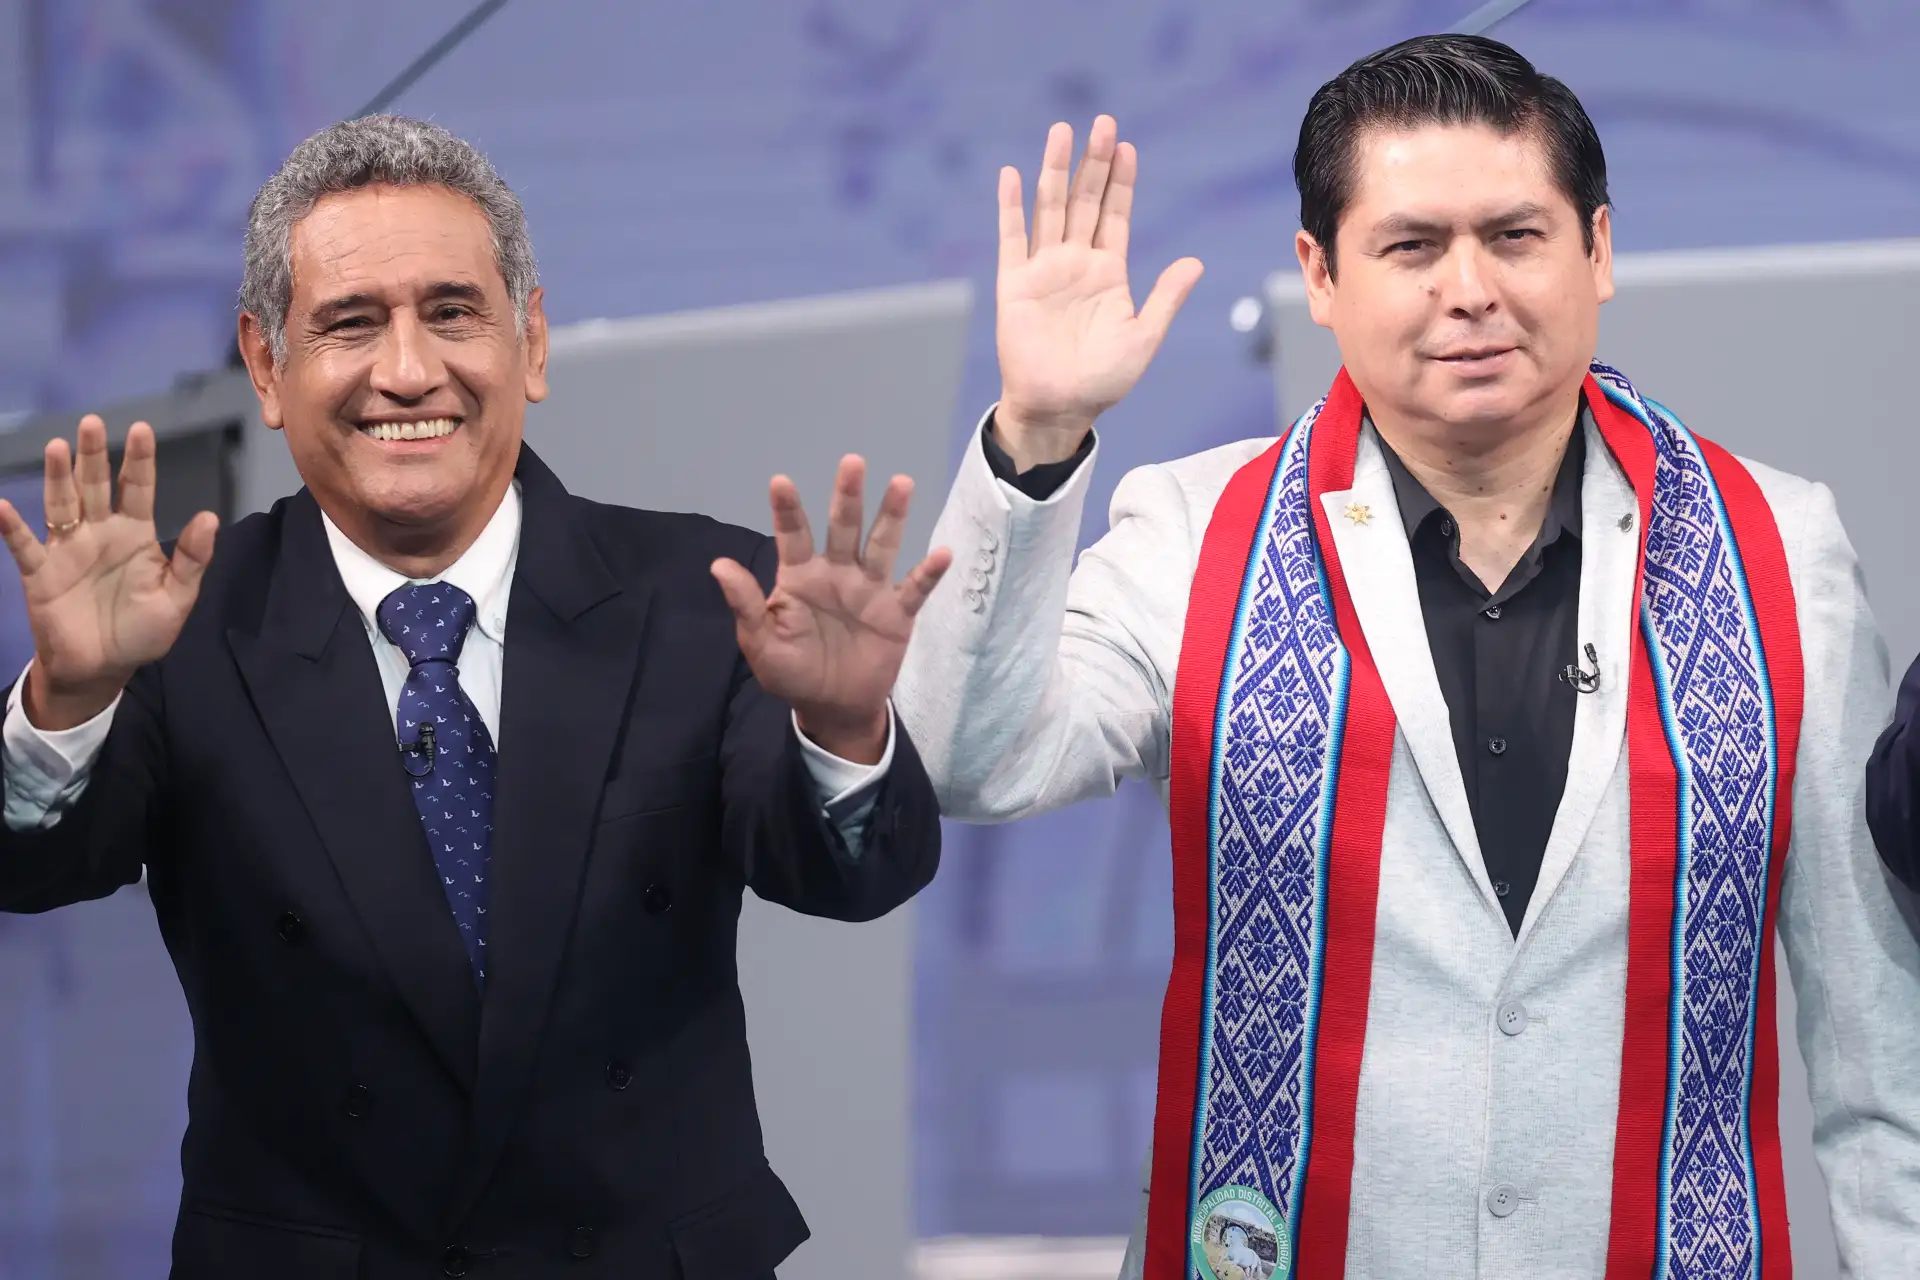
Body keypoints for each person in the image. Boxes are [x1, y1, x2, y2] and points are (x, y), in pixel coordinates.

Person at [894, 34, 1920, 1278]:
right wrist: (1037, 434)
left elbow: (1884, 1051)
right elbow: (972, 759)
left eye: (1516, 236)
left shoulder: (1778, 550)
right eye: (1413, 247)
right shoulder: (1197, 533)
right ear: (1320, 275)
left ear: (1599, 250)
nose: (1470, 288)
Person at [0, 115, 949, 1278]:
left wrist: (841, 727)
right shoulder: (180, 621)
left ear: (530, 342)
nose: (409, 370)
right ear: (267, 365)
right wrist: (69, 694)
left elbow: (847, 874)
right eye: (352, 322)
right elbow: (30, 867)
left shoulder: (713, 595)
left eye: (452, 312)